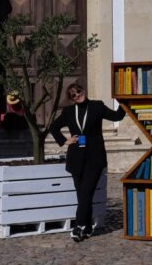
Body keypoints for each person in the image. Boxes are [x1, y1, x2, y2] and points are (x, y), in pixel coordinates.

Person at [49, 83, 125, 242]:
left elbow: (117, 116)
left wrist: (124, 100)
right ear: (71, 99)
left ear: (83, 90)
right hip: (76, 160)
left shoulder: (97, 106)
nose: (77, 95)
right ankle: (88, 227)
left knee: (86, 193)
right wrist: (65, 140)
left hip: (94, 158)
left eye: (78, 91)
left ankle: (78, 226)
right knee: (83, 196)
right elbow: (53, 127)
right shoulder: (69, 111)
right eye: (73, 95)